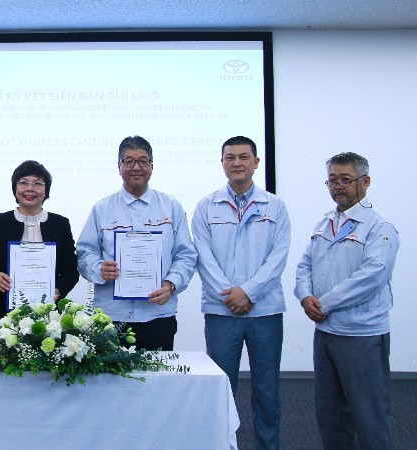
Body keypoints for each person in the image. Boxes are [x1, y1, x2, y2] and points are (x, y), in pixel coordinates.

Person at [295, 152, 399, 450]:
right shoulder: (324, 222)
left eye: (345, 179)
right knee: (330, 414)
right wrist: (304, 296)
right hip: (326, 334)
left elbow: (371, 277)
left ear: (364, 182)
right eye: (332, 180)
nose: (338, 186)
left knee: (369, 415)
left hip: (361, 334)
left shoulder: (380, 227)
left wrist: (322, 304)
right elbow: (304, 265)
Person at [191, 136, 290, 449]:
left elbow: (279, 255)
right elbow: (202, 256)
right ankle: (222, 444)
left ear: (256, 162)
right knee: (222, 388)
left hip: (265, 312)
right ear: (222, 164)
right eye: (230, 157)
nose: (237, 163)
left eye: (243, 157)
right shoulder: (205, 207)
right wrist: (229, 293)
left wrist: (248, 292)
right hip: (222, 312)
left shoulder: (276, 206)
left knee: (266, 389)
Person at [77, 135, 196, 351]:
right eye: (129, 161)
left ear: (152, 165)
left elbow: (185, 255)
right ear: (119, 166)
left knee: (158, 382)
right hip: (111, 316)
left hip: (157, 314)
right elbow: (85, 253)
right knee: (109, 382)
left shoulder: (171, 207)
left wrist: (170, 284)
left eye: (143, 160)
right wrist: (99, 269)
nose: (136, 167)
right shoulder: (101, 209)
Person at [0, 160, 79, 315]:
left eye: (37, 183)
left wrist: (57, 289)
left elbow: (71, 272)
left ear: (46, 190)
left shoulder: (60, 224)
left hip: (49, 313)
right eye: (23, 183)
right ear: (15, 188)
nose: (30, 189)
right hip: (7, 312)